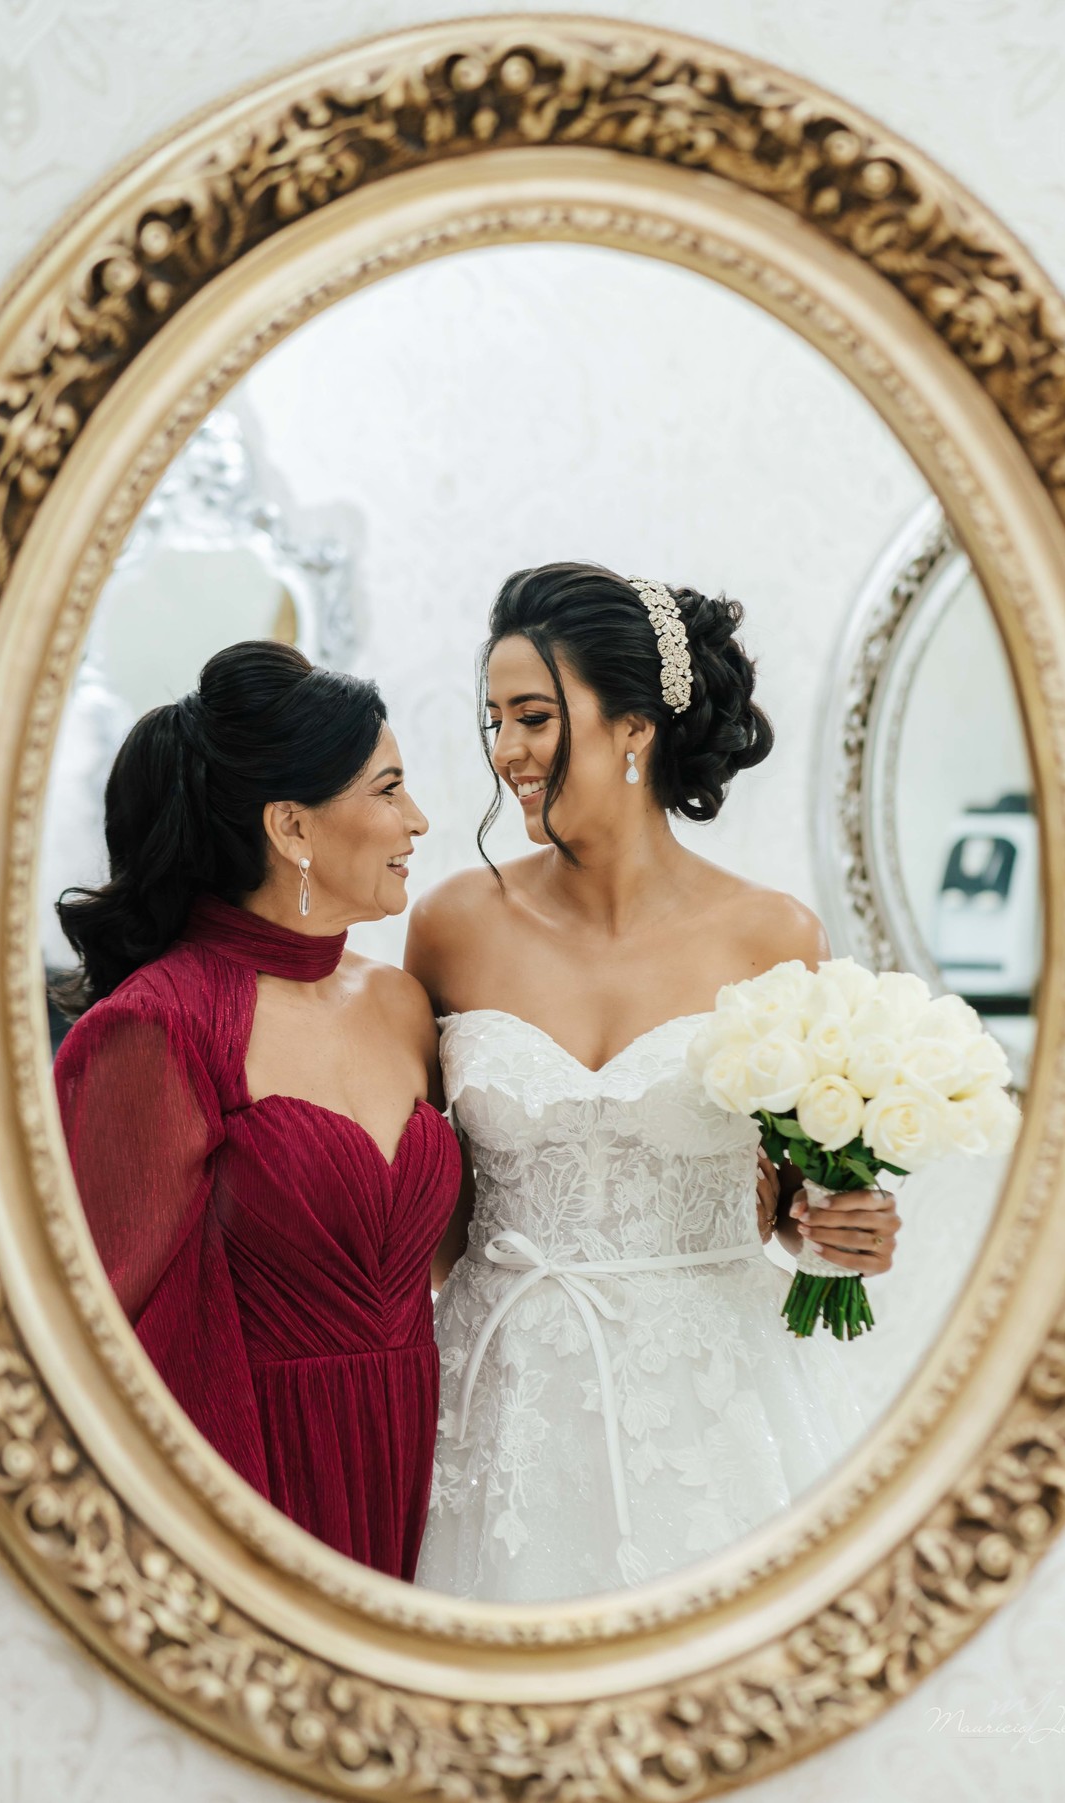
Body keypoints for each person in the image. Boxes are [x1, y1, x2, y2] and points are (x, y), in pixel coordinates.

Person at [406, 563, 902, 1601]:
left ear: (635, 726)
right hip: (496, 1402)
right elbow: (434, 1213)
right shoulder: (451, 926)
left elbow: (799, 1201)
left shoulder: (774, 935)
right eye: (495, 721)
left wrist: (839, 1227)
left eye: (534, 717)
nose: (506, 752)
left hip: (712, 1400)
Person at [54, 640, 461, 1580]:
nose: (417, 819)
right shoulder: (156, 1026)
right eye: (388, 788)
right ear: (291, 826)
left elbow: (464, 1249)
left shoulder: (401, 1003)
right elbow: (94, 1338)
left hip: (427, 1460)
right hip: (259, 1489)